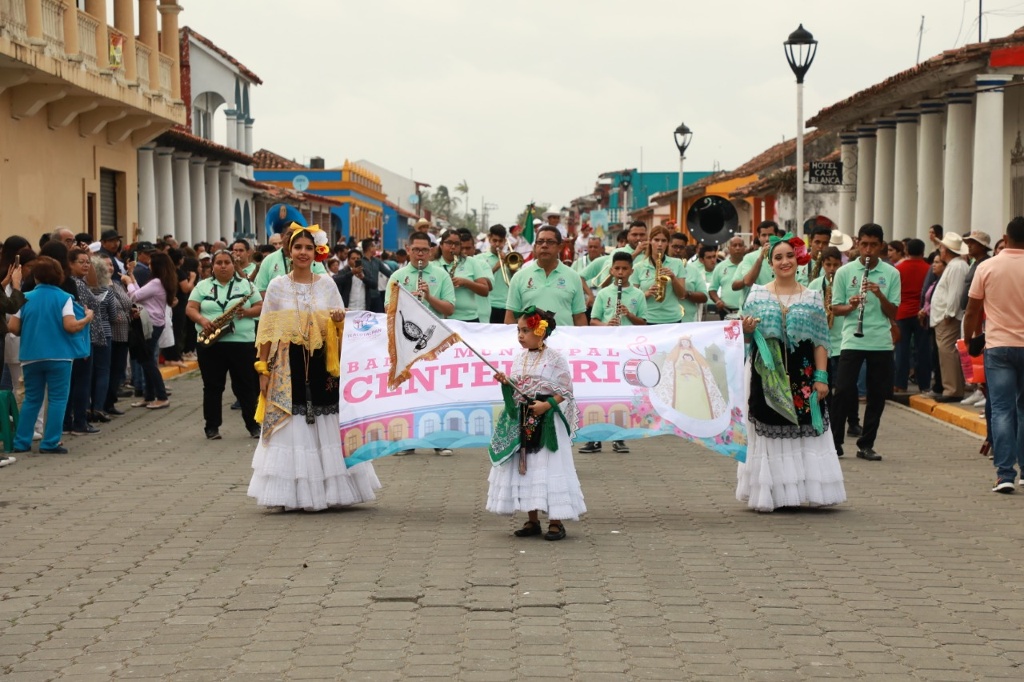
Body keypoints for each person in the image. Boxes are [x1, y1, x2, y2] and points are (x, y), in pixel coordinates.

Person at [247, 225, 380, 511]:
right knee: (290, 420)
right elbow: (267, 331)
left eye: (308, 248)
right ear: (289, 251)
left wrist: (337, 319)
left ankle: (332, 490)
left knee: (326, 418)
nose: (303, 253)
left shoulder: (327, 284)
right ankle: (290, 494)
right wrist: (262, 370)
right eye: (298, 248)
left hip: (323, 362)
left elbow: (343, 323)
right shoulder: (277, 286)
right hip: (287, 362)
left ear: (316, 251)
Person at [737, 235, 846, 512]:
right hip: (766, 373)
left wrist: (822, 378)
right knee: (768, 426)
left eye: (789, 256)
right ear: (770, 263)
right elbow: (744, 341)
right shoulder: (757, 295)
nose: (785, 261)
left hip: (803, 373)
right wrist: (747, 331)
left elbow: (821, 340)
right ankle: (772, 494)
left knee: (805, 429)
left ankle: (807, 491)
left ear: (798, 259)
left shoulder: (811, 297)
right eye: (778, 257)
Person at [488, 308, 585, 540]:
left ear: (540, 332)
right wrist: (506, 383)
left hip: (547, 421)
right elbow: (517, 392)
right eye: (518, 331)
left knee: (548, 468)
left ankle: (556, 522)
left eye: (525, 330)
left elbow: (566, 391)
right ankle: (532, 520)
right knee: (527, 467)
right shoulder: (519, 358)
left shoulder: (555, 359)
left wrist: (547, 405)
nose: (520, 335)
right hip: (525, 419)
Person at [829, 224, 901, 460]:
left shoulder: (891, 274)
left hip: (880, 341)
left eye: (873, 245)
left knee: (877, 394)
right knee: (843, 390)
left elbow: (894, 313)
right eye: (864, 244)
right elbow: (836, 308)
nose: (868, 250)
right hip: (852, 339)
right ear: (858, 243)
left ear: (881, 246)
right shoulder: (844, 272)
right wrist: (851, 305)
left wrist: (879, 294)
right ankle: (835, 442)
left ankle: (866, 444)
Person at [963, 217, 1024, 493]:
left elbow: (973, 309)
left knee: (1001, 410)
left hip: (998, 347)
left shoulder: (987, 267)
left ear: (1005, 237)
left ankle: (1005, 475)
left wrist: (969, 339)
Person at [9, 256, 92, 456]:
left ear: (36, 277)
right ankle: (50, 442)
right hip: (59, 356)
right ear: (59, 276)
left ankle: (21, 442)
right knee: (57, 399)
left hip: (31, 355)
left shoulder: (25, 297)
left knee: (32, 399)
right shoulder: (64, 298)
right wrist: (87, 318)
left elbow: (12, 327)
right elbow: (70, 325)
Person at [187, 250, 263, 440]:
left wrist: (246, 312)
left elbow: (261, 307)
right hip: (211, 343)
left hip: (242, 343)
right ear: (212, 266)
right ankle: (211, 427)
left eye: (226, 262)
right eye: (218, 262)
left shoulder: (246, 285)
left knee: (246, 386)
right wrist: (203, 321)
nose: (223, 266)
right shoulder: (202, 286)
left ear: (233, 265)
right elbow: (191, 308)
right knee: (212, 386)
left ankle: (253, 426)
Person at [123, 251, 176, 410]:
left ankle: (161, 396)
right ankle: (149, 396)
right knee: (146, 360)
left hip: (150, 325)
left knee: (147, 362)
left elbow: (134, 297)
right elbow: (141, 294)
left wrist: (127, 282)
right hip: (155, 323)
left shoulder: (157, 283)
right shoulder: (161, 282)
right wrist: (132, 277)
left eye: (152, 262)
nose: (149, 265)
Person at [505, 226, 586, 327]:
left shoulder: (573, 277)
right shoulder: (519, 277)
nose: (544, 245)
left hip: (564, 341)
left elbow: (579, 316)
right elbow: (510, 317)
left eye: (550, 242)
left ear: (560, 247)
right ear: (535, 247)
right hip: (530, 341)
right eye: (540, 241)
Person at [629, 225, 707, 324]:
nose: (660, 244)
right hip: (647, 319)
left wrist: (673, 278)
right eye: (656, 240)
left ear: (668, 243)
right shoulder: (638, 267)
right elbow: (632, 301)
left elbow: (682, 295)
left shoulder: (677, 263)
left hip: (673, 319)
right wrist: (645, 294)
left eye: (663, 240)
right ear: (650, 241)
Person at [64, 248, 103, 436]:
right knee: (81, 381)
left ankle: (69, 422)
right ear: (70, 264)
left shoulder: (80, 282)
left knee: (74, 382)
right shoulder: (74, 284)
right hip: (82, 336)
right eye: (82, 262)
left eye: (88, 261)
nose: (86, 265)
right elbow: (80, 311)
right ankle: (79, 422)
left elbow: (95, 284)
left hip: (84, 336)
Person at [928, 232, 970, 402]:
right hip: (943, 317)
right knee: (946, 354)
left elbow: (955, 293)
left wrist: (949, 314)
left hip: (947, 318)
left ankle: (952, 390)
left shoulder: (957, 266)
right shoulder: (954, 265)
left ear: (946, 250)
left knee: (948, 353)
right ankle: (952, 387)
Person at [384, 231, 455, 318]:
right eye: (416, 249)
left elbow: (450, 310)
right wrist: (406, 301)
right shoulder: (397, 276)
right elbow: (387, 309)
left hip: (434, 329)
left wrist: (429, 298)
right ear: (408, 250)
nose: (420, 254)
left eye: (425, 250)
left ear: (430, 251)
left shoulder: (443, 275)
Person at [958, 231, 992, 406]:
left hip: (979, 314)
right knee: (974, 357)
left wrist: (976, 330)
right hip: (970, 313)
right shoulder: (973, 263)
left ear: (982, 246)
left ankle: (983, 389)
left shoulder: (985, 264)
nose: (969, 246)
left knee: (979, 353)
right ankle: (978, 387)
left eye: (973, 243)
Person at [894, 239, 931, 393]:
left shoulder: (899, 268)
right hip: (922, 313)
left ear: (907, 251)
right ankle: (924, 385)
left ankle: (900, 384)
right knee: (923, 350)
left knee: (902, 350)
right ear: (923, 251)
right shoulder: (929, 268)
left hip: (902, 312)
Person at [437, 229, 492, 323]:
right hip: (442, 318)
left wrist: (466, 282)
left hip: (469, 318)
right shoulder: (433, 264)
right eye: (449, 243)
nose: (453, 247)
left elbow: (485, 290)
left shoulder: (471, 262)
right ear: (441, 245)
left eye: (457, 244)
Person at [477, 224, 513, 324]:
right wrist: (497, 266)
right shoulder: (480, 258)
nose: (497, 244)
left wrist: (509, 264)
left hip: (506, 305)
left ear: (505, 241)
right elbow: (481, 280)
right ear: (489, 239)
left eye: (500, 241)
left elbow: (515, 279)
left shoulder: (510, 258)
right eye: (494, 240)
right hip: (489, 304)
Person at [734, 220, 782, 291]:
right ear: (759, 237)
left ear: (777, 236)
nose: (767, 239)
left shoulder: (784, 256)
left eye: (771, 235)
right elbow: (747, 282)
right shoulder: (749, 258)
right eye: (763, 235)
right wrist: (761, 257)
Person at [709, 235, 747, 316]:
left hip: (747, 311)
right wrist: (718, 301)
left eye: (740, 245)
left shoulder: (750, 265)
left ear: (744, 248)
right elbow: (712, 289)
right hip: (726, 311)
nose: (737, 248)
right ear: (729, 248)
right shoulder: (720, 267)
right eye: (734, 245)